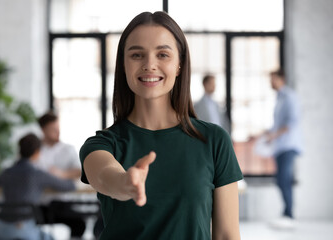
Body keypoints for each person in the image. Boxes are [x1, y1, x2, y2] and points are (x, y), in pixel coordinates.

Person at [80, 11, 243, 240]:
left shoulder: (214, 140)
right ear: (123, 65)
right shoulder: (102, 144)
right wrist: (125, 183)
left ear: (179, 65)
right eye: (137, 55)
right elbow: (105, 175)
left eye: (163, 54)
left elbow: (227, 235)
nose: (149, 65)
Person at [0, 133, 75, 240]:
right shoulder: (38, 174)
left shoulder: (7, 172)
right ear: (37, 152)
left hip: (2, 230)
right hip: (24, 230)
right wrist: (61, 174)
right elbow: (69, 186)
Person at [36, 111, 87, 238]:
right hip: (40, 204)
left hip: (63, 203)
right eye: (53, 129)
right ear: (43, 130)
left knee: (79, 224)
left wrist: (60, 174)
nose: (57, 132)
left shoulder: (68, 149)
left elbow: (79, 171)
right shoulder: (35, 150)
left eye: (58, 129)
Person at [264, 69, 303, 229]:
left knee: (284, 180)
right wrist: (267, 134)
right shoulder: (279, 98)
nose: (270, 83)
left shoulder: (289, 97)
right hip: (280, 146)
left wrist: (274, 135)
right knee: (281, 180)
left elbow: (291, 122)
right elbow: (278, 125)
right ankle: (287, 213)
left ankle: (289, 215)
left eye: (272, 79)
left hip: (288, 145)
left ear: (281, 79)